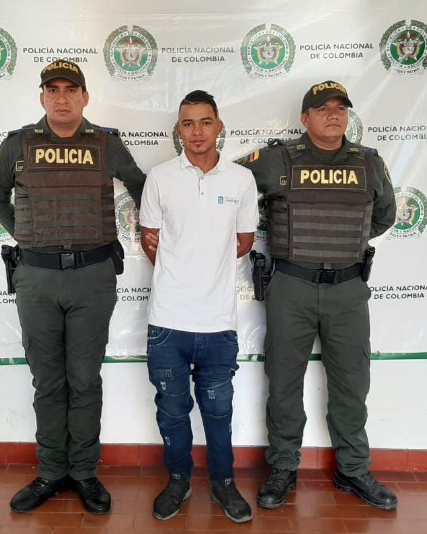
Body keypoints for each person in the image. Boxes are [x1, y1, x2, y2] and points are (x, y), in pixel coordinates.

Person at [0, 59, 146, 514]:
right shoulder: (18, 144)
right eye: (52, 90)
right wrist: (27, 235)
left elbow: (142, 189)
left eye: (70, 90)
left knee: (84, 379)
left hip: (92, 278)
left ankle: (85, 473)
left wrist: (152, 232)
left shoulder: (105, 143)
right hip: (36, 278)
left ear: (84, 97)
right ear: (42, 97)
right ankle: (52, 472)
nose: (61, 98)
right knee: (48, 381)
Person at [237, 81, 398, 510]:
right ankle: (283, 466)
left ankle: (353, 469)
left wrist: (344, 244)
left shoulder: (368, 162)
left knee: (352, 384)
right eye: (323, 109)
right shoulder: (278, 159)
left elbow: (384, 216)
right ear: (305, 118)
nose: (333, 115)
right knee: (284, 382)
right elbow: (229, 185)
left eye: (340, 108)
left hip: (348, 288)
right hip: (291, 285)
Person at [139, 90, 259, 523]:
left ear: (219, 126)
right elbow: (150, 240)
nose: (197, 132)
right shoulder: (160, 178)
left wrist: (206, 269)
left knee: (219, 412)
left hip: (219, 324)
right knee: (172, 412)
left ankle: (224, 483)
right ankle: (178, 481)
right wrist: (182, 273)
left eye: (205, 122)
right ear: (178, 130)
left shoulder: (241, 180)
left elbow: (243, 242)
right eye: (187, 123)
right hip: (168, 323)